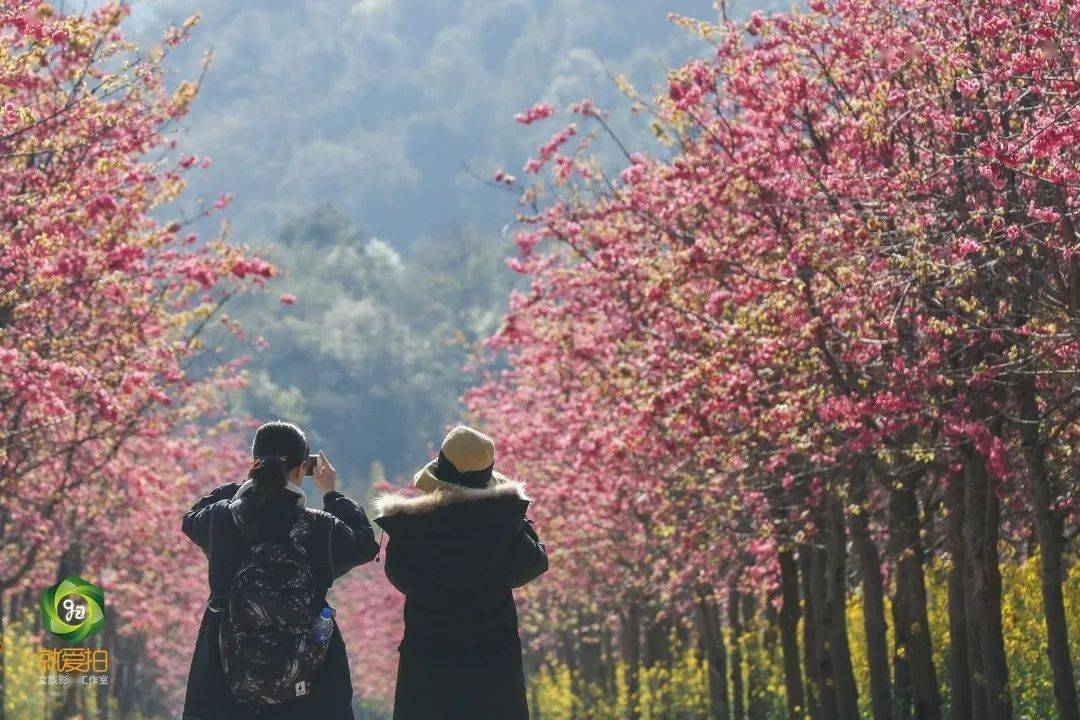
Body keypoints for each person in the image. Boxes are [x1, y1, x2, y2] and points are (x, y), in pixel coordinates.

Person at [181, 420, 379, 720]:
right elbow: (365, 544)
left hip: (226, 666)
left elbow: (190, 518)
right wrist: (333, 496)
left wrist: (243, 486)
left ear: (254, 465)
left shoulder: (221, 520)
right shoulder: (320, 527)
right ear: (302, 469)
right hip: (309, 674)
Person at [375, 425, 549, 720]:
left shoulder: (411, 529)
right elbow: (535, 561)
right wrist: (513, 516)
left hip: (428, 667)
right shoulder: (502, 530)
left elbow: (398, 575)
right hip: (492, 670)